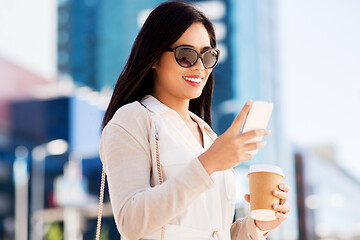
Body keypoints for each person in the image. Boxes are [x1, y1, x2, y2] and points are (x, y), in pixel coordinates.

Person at [100, 1, 290, 239]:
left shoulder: (208, 136)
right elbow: (131, 221)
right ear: (154, 58)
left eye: (208, 56)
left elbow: (214, 233)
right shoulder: (133, 119)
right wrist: (208, 163)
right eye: (186, 55)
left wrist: (257, 226)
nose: (200, 67)